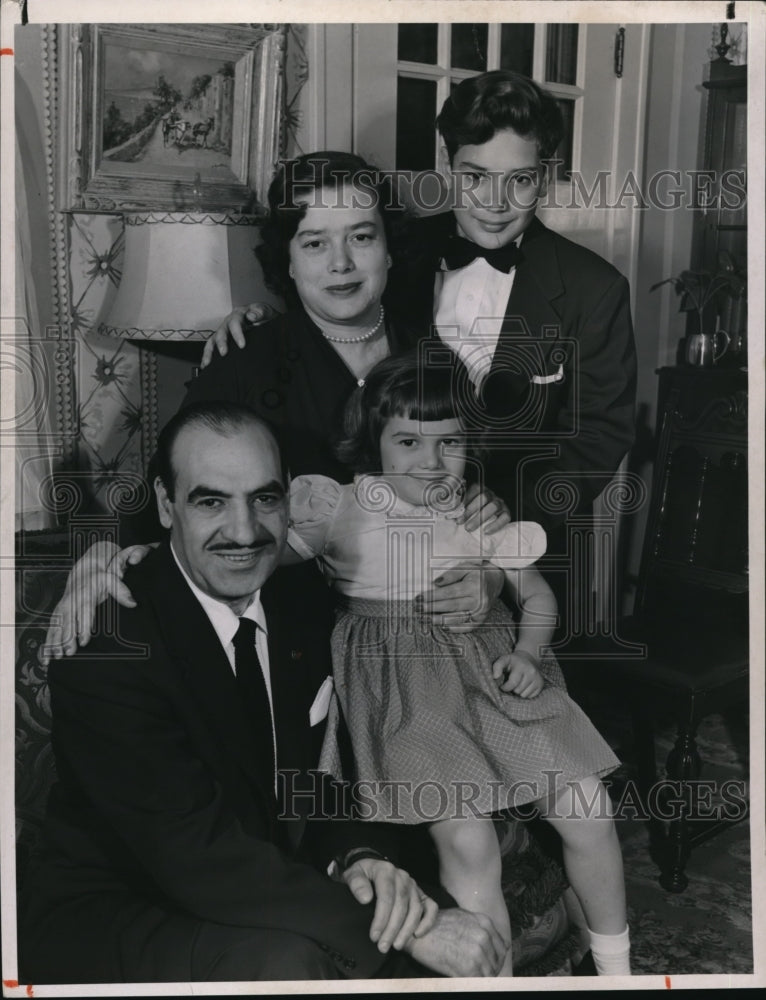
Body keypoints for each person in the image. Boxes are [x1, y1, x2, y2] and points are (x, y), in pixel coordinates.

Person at [19, 401, 508, 983]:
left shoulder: (303, 604)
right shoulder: (106, 644)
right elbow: (191, 856)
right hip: (130, 905)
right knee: (304, 962)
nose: (245, 532)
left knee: (459, 931)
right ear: (166, 505)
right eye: (210, 501)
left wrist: (360, 857)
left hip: (270, 875)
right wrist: (416, 931)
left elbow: (338, 772)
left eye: (264, 498)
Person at [205, 71, 637, 629]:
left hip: (523, 563)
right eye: (475, 177)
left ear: (547, 174)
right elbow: (332, 312)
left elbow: (602, 434)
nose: (496, 204)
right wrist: (255, 319)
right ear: (445, 160)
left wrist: (501, 530)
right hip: (373, 575)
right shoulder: (392, 251)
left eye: (521, 180)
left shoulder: (594, 288)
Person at [43, 151, 509, 661]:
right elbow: (166, 492)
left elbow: (482, 501)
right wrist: (101, 552)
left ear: (389, 249)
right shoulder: (242, 365)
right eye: (315, 243)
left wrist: (489, 573)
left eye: (361, 236)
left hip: (434, 641)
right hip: (290, 641)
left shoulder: (439, 365)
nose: (341, 263)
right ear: (287, 259)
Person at [279, 352, 631, 977]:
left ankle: (618, 969)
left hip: (495, 682)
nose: (431, 461)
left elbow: (541, 596)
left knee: (588, 810)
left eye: (451, 443)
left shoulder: (479, 511)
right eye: (409, 441)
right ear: (373, 440)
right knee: (468, 843)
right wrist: (142, 551)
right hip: (408, 699)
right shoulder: (335, 506)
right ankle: (494, 980)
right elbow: (248, 552)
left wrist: (527, 651)